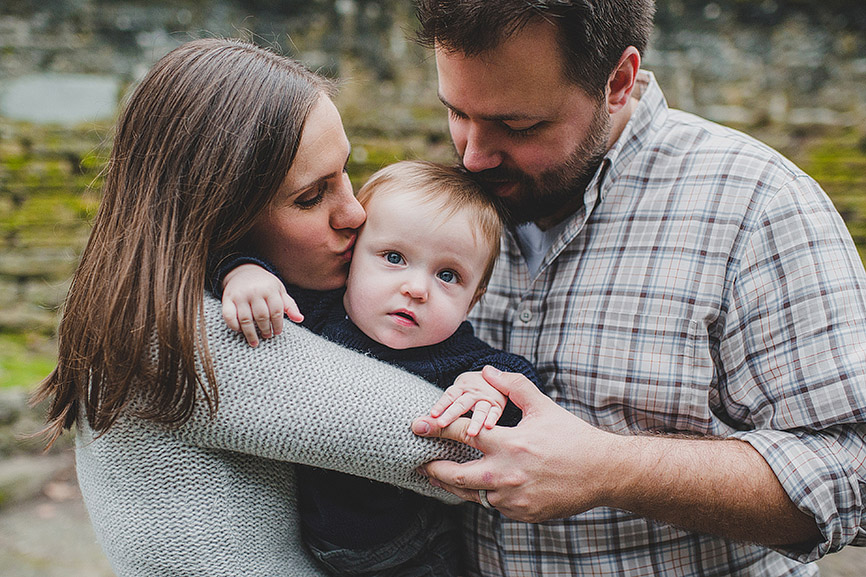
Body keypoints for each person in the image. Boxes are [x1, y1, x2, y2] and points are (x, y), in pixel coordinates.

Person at [409, 1, 866, 576]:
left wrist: (610, 469)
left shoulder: (760, 205)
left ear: (619, 80)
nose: (473, 156)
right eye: (456, 113)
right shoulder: (438, 204)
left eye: (518, 126)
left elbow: (854, 475)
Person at [32, 38, 479, 577]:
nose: (355, 213)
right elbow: (472, 453)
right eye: (311, 197)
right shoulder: (194, 337)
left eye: (345, 173)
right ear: (219, 214)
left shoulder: (138, 300)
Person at [216, 159, 542, 577]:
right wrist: (242, 273)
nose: (417, 288)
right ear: (350, 257)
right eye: (393, 257)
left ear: (473, 300)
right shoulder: (312, 312)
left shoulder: (457, 356)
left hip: (410, 552)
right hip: (302, 540)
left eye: (448, 275)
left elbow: (516, 379)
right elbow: (218, 266)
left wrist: (488, 388)